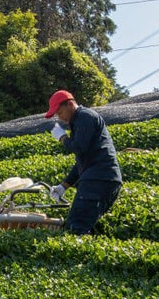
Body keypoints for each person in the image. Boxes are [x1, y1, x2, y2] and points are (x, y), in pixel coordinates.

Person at [45, 89, 122, 235]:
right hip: (103, 179)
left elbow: (78, 147)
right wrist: (64, 185)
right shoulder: (80, 121)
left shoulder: (84, 116)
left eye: (60, 113)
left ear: (69, 104)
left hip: (98, 180)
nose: (60, 118)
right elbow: (82, 162)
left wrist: (62, 138)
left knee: (75, 228)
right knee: (85, 226)